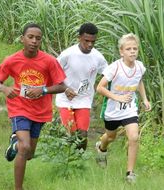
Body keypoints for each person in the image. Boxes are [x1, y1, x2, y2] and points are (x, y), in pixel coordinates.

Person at [0, 23, 69, 190]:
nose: (34, 41)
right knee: (25, 146)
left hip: (40, 111)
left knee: (29, 154)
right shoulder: (12, 60)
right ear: (22, 39)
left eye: (38, 38)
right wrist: (4, 88)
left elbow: (62, 86)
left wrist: (42, 90)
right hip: (19, 108)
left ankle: (15, 143)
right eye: (30, 37)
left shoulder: (49, 61)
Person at [95, 33, 151, 183]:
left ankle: (130, 173)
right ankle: (101, 148)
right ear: (121, 52)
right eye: (128, 49)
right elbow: (100, 88)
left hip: (129, 109)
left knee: (133, 137)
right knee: (110, 137)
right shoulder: (114, 67)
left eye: (135, 49)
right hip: (112, 111)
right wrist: (117, 97)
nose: (132, 51)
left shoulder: (140, 66)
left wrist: (145, 99)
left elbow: (139, 82)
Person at [55, 23, 108, 150]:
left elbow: (108, 74)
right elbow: (54, 73)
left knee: (82, 135)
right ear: (79, 38)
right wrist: (65, 88)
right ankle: (70, 161)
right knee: (72, 135)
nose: (90, 44)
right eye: (86, 41)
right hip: (65, 99)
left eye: (93, 41)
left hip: (84, 99)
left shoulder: (98, 57)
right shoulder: (67, 54)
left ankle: (80, 163)